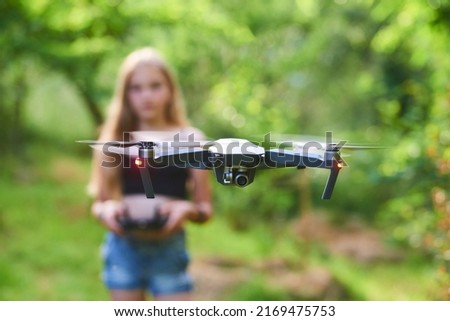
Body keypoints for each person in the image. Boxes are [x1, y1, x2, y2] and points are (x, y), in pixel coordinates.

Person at [88, 47, 212, 301]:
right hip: (124, 249)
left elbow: (204, 209)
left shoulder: (191, 140)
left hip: (169, 249)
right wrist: (107, 211)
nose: (147, 96)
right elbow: (99, 204)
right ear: (125, 94)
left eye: (155, 86)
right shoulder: (113, 140)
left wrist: (186, 210)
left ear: (170, 90)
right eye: (136, 88)